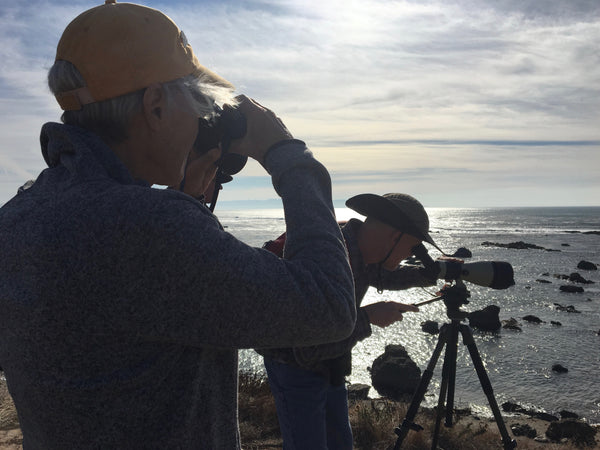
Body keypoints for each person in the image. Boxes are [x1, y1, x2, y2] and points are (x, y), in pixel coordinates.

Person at [0, 2, 356, 448]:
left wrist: (184, 206)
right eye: (198, 103)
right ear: (155, 107)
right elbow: (328, 307)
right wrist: (287, 153)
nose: (201, 121)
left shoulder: (17, 217)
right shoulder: (146, 226)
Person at [258, 193, 448, 449]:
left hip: (331, 362)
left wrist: (434, 273)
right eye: (413, 247)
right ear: (394, 236)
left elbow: (385, 275)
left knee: (340, 443)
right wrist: (369, 316)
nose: (410, 255)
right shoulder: (328, 256)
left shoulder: (359, 246)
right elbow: (310, 340)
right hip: (294, 365)